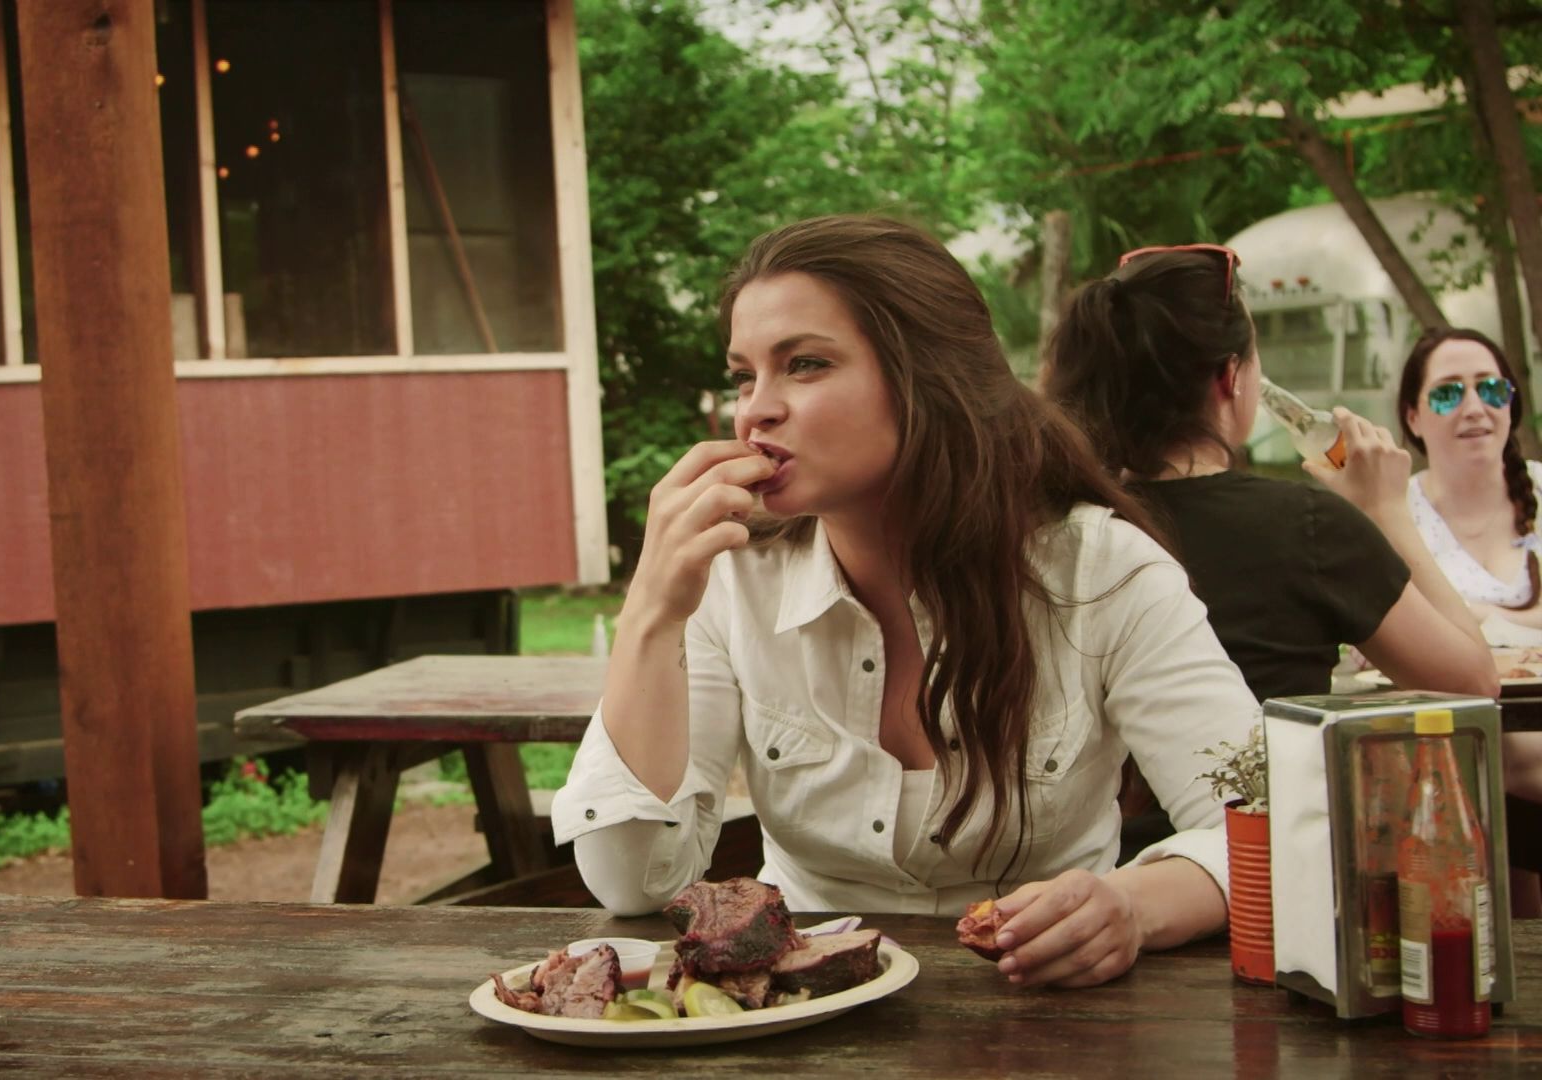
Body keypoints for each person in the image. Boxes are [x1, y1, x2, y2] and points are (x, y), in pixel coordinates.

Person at [553, 215, 1263, 991]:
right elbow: (632, 883)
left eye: (805, 364)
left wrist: (1131, 906)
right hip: (802, 1009)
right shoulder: (735, 580)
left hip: (1043, 1010)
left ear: (928, 375)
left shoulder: (1103, 572)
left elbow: (1270, 830)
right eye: (743, 376)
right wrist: (652, 612)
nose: (756, 410)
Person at [1042, 245, 1496, 707]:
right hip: (1266, 759)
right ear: (1231, 376)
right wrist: (1387, 509)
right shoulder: (1309, 529)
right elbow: (1473, 682)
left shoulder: (1066, 527)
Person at [1396, 328, 1542, 640]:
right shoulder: (1394, 515)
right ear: (1413, 418)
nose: (1475, 409)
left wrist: (1474, 617)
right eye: (1447, 394)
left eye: (1491, 389)